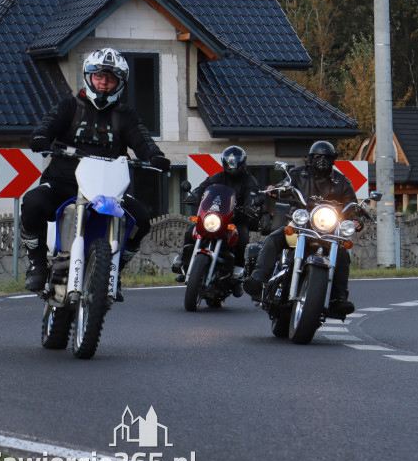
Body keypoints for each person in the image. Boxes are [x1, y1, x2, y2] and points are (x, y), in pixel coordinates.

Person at [21, 48, 171, 297]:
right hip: (63, 183)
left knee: (142, 219)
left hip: (109, 190)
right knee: (32, 203)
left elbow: (143, 141)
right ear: (88, 77)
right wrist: (40, 137)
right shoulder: (69, 106)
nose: (103, 83)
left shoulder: (126, 115)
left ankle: (114, 270)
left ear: (119, 84)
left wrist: (155, 156)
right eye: (99, 77)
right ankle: (37, 264)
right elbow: (46, 126)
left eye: (110, 79)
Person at [242, 140, 362, 317]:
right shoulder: (298, 174)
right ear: (311, 158)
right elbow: (285, 185)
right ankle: (258, 279)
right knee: (275, 238)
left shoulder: (341, 182)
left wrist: (358, 219)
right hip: (299, 225)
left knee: (343, 254)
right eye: (318, 157)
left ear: (333, 159)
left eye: (326, 157)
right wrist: (275, 190)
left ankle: (338, 299)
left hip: (328, 232)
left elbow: (353, 206)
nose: (322, 161)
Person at [173, 145, 260, 296]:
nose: (232, 166)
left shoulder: (249, 180)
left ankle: (236, 275)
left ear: (242, 163)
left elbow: (252, 195)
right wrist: (194, 195)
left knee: (242, 237)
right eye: (229, 162)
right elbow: (203, 187)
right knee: (190, 232)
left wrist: (250, 205)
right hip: (216, 217)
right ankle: (184, 262)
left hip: (236, 219)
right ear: (224, 162)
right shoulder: (218, 177)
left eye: (236, 162)